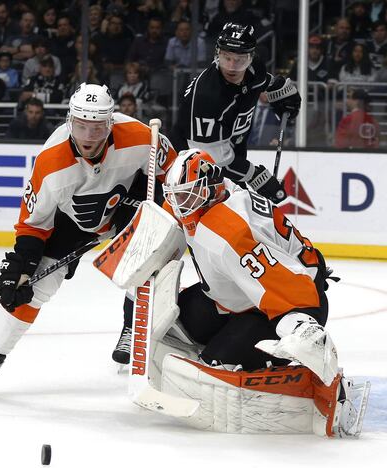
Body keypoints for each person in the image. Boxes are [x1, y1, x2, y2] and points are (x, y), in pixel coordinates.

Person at [0, 83, 178, 392]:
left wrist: (154, 207)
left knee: (150, 254)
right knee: (35, 286)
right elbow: (33, 225)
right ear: (69, 121)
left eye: (98, 127)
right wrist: (21, 267)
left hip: (127, 208)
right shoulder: (51, 162)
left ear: (111, 123)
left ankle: (133, 327)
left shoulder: (142, 137)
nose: (89, 135)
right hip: (72, 223)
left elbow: (173, 173)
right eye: (81, 125)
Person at [152, 149, 361, 437]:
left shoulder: (228, 231)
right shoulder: (216, 195)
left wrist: (299, 328)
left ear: (211, 189)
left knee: (216, 364)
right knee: (173, 320)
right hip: (241, 297)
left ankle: (318, 390)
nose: (179, 205)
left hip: (292, 303)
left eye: (186, 196)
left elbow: (288, 285)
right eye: (175, 196)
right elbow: (168, 213)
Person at [171, 23, 300, 205]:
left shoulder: (255, 69)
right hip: (193, 168)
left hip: (231, 154)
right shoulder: (207, 97)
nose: (232, 67)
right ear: (217, 54)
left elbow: (264, 81)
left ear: (251, 57)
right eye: (226, 58)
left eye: (240, 60)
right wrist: (258, 177)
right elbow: (213, 161)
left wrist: (281, 90)